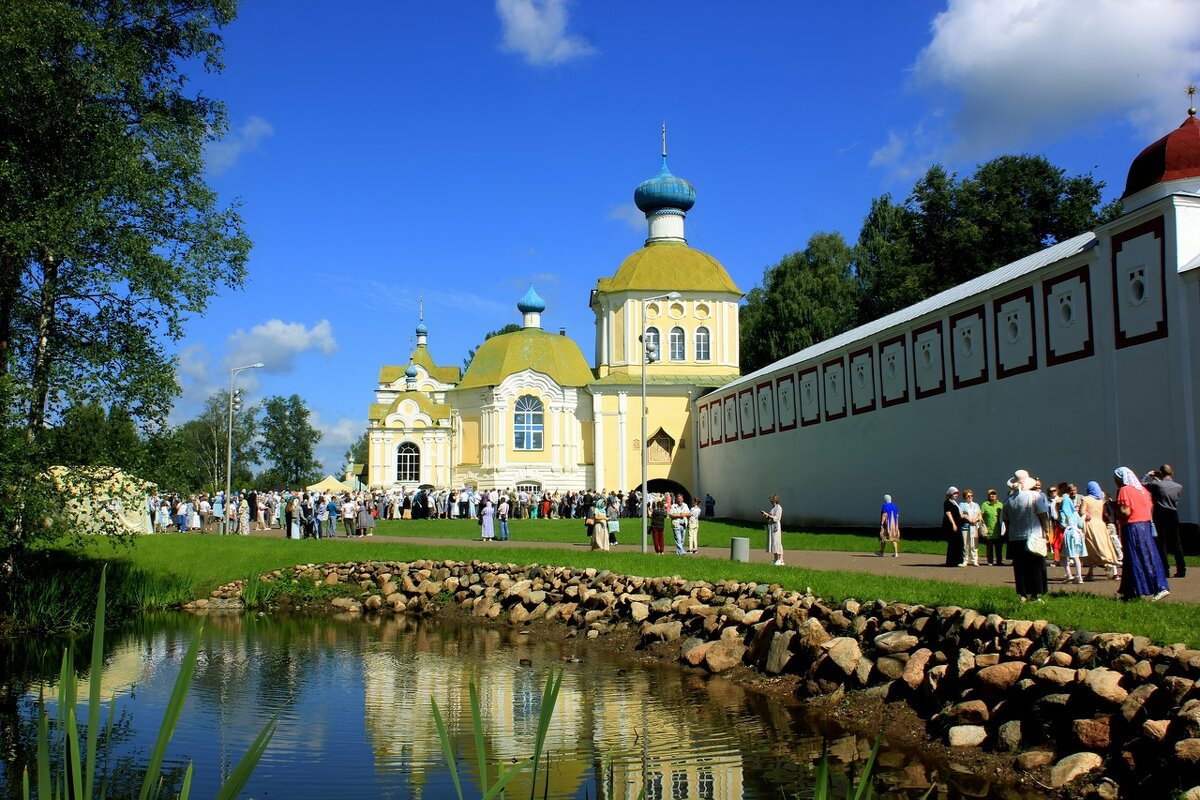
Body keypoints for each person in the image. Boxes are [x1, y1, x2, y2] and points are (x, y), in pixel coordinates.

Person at [1115, 466, 1170, 601]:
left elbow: (1125, 512)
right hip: (1145, 526)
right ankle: (1130, 592)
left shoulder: (1124, 490)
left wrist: (1114, 507)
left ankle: (1157, 587)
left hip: (1133, 527)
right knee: (1144, 556)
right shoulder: (1143, 490)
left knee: (1138, 558)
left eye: (1116, 479)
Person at [1001, 469, 1049, 602]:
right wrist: (1047, 531)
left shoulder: (1008, 499)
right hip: (1032, 535)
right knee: (1035, 566)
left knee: (1020, 567)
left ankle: (1022, 594)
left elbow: (1005, 519)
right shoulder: (1034, 496)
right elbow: (1043, 515)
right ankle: (1034, 594)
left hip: (1015, 536)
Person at [1146, 465, 1185, 578]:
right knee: (1176, 542)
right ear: (1171, 473)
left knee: (1161, 542)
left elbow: (1142, 484)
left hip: (1160, 514)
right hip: (1173, 514)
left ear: (1161, 473)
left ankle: (1165, 569)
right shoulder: (1178, 486)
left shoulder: (1157, 484)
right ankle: (1181, 569)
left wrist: (1149, 475)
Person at [1080, 481, 1120, 580]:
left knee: (1091, 548)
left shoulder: (1086, 499)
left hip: (1090, 524)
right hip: (1101, 524)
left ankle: (1093, 571)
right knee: (1103, 545)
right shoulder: (1101, 500)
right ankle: (1093, 571)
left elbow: (1081, 512)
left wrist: (1084, 512)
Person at [1059, 484, 1087, 583]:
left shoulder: (1063, 513)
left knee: (1063, 556)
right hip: (1077, 534)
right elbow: (1080, 525)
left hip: (1068, 534)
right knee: (1076, 556)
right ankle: (1079, 576)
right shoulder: (1075, 513)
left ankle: (1069, 574)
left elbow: (1062, 525)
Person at [979, 488, 1005, 565]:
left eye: (994, 494)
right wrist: (982, 524)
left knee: (999, 547)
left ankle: (999, 561)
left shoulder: (1000, 505)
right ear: (988, 496)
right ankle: (990, 561)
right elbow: (981, 515)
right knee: (989, 548)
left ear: (996, 495)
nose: (992, 495)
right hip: (988, 530)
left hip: (998, 530)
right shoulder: (985, 504)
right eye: (991, 494)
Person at [958, 489, 981, 566]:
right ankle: (965, 560)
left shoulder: (976, 505)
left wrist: (976, 519)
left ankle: (974, 560)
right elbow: (962, 514)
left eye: (971, 496)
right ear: (965, 497)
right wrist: (969, 519)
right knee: (965, 544)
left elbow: (979, 515)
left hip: (974, 526)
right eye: (968, 496)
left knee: (974, 544)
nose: (970, 497)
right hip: (966, 527)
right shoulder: (962, 504)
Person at [942, 487, 963, 567]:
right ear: (950, 494)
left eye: (957, 493)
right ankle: (951, 561)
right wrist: (953, 524)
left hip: (958, 525)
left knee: (958, 543)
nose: (956, 495)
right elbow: (948, 514)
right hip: (952, 526)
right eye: (954, 493)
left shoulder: (954, 502)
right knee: (953, 543)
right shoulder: (947, 502)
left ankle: (957, 560)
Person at [761, 494, 783, 566]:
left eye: (771, 500)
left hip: (776, 527)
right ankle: (775, 558)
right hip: (771, 526)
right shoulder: (773, 508)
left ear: (775, 500)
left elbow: (777, 518)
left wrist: (768, 515)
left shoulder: (779, 507)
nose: (770, 501)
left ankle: (780, 559)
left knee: (777, 542)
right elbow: (771, 517)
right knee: (773, 542)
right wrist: (766, 515)